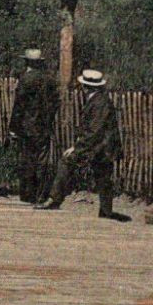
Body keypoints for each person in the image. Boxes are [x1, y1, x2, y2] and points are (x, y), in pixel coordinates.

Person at [37, 69, 127, 221]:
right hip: (102, 146)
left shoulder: (99, 103)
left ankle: (54, 199)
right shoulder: (99, 100)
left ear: (86, 87)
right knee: (103, 177)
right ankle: (105, 210)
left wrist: (77, 147)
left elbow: (94, 131)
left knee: (67, 161)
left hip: (101, 147)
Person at [9, 48, 59, 204]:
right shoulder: (49, 80)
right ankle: (41, 193)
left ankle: (28, 193)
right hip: (43, 125)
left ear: (27, 62)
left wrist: (13, 127)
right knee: (42, 160)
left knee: (27, 159)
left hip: (27, 126)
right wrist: (49, 119)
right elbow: (55, 103)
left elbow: (19, 106)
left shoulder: (25, 79)